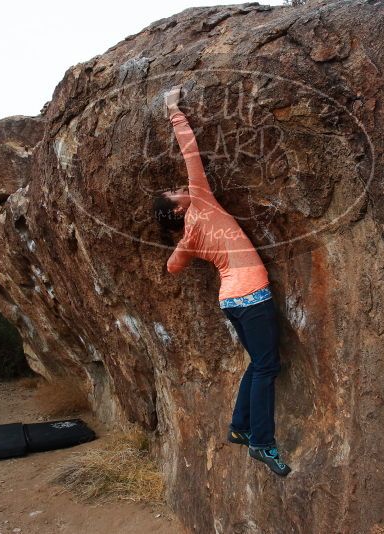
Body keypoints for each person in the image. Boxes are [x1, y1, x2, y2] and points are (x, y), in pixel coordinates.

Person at [153, 86, 291, 477]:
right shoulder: (202, 203)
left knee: (258, 362)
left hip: (230, 302)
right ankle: (263, 442)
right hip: (251, 296)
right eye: (177, 191)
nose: (183, 187)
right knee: (267, 368)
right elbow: (189, 152)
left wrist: (183, 244)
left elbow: (172, 266)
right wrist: (173, 110)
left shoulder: (190, 235)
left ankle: (240, 427)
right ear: (180, 205)